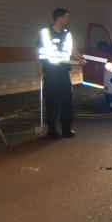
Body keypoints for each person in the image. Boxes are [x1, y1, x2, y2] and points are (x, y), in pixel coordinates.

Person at [35, 8, 85, 138]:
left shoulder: (66, 33)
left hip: (64, 73)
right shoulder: (45, 33)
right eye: (66, 17)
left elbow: (72, 49)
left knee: (67, 101)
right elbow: (37, 52)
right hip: (51, 73)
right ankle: (52, 131)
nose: (68, 19)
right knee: (52, 102)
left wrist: (79, 58)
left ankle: (66, 129)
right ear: (59, 18)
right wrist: (39, 69)